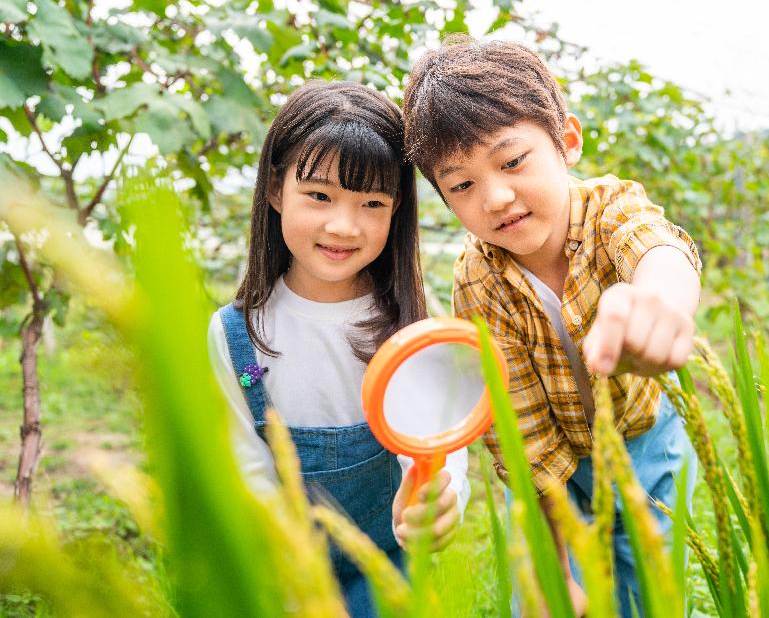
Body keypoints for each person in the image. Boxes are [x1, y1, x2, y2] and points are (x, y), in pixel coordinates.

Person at [403, 37, 701, 617]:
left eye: (512, 161)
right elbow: (522, 436)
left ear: (566, 140)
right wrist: (554, 567)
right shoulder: (478, 282)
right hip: (556, 463)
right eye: (461, 184)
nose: (497, 197)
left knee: (647, 590)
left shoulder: (610, 209)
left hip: (644, 440)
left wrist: (660, 304)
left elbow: (658, 248)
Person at [207, 81, 468, 615]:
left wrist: (444, 499)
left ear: (397, 212)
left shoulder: (412, 328)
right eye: (319, 195)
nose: (343, 226)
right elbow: (245, 470)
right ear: (276, 190)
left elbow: (440, 444)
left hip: (388, 576)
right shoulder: (236, 335)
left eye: (372, 202)